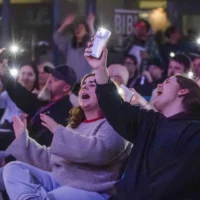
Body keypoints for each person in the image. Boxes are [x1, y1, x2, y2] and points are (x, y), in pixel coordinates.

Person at [85, 42, 200, 199]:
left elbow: (171, 184)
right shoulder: (151, 121)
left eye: (168, 82)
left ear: (183, 91)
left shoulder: (194, 133)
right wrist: (99, 68)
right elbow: (115, 107)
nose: (160, 84)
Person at [1, 73, 132, 200]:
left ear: (109, 94)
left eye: (92, 85)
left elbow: (98, 152)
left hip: (90, 189)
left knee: (50, 195)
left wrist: (60, 132)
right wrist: (24, 142)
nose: (84, 87)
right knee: (13, 168)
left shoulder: (116, 123)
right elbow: (52, 160)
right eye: (83, 85)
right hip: (59, 180)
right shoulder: (75, 125)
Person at [0, 65, 75, 146]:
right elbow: (23, 97)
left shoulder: (63, 111)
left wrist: (23, 132)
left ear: (66, 88)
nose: (49, 81)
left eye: (55, 80)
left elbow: (41, 142)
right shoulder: (46, 102)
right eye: (51, 77)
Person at [0, 63, 39, 150]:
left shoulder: (36, 97)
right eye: (23, 73)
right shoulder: (7, 93)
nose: (25, 78)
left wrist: (5, 74)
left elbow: (20, 96)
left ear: (36, 78)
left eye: (30, 74)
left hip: (16, 136)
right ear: (18, 76)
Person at [53, 13, 95, 81]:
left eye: (81, 28)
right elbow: (56, 38)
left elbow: (97, 43)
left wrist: (90, 26)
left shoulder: (89, 46)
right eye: (76, 28)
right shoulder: (69, 45)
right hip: (70, 82)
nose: (78, 30)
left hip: (85, 83)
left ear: (86, 32)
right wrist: (64, 24)